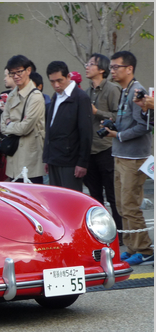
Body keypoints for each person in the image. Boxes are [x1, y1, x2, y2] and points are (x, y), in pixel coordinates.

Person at [102, 51, 153, 266]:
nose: (112, 70)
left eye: (116, 67)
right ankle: (132, 246)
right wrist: (112, 124)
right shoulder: (125, 90)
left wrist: (118, 134)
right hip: (120, 154)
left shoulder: (138, 91)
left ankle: (144, 249)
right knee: (122, 205)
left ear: (129, 69)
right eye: (111, 67)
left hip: (133, 157)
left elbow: (144, 126)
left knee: (131, 204)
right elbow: (128, 120)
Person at [83, 53, 123, 240]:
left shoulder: (112, 89)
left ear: (101, 69)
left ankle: (121, 235)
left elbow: (119, 116)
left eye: (91, 64)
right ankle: (101, 235)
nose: (87, 66)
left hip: (106, 149)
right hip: (89, 150)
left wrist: (97, 112)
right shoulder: (87, 91)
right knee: (94, 197)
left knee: (113, 196)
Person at [43, 61, 92, 191]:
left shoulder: (81, 98)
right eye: (52, 81)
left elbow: (86, 132)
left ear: (68, 77)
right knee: (55, 201)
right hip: (54, 158)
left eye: (59, 80)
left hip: (71, 161)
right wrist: (47, 157)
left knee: (70, 202)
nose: (56, 85)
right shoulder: (55, 96)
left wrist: (82, 162)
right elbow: (50, 127)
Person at [0, 55, 46, 183]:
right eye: (12, 73)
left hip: (30, 159)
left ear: (28, 71)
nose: (15, 76)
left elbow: (25, 128)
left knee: (32, 198)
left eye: (19, 72)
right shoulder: (12, 94)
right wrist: (11, 125)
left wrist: (10, 124)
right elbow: (2, 126)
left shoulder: (35, 96)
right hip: (13, 156)